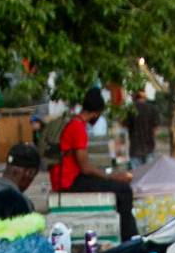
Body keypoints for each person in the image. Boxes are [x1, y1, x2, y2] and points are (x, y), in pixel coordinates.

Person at [50, 86, 138, 241]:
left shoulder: (75, 123)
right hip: (70, 182)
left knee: (118, 188)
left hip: (69, 178)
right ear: (96, 112)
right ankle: (130, 239)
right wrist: (112, 176)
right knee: (124, 190)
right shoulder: (78, 128)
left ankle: (128, 235)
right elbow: (85, 168)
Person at [125, 89, 160, 169]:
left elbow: (124, 124)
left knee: (137, 178)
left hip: (135, 149)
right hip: (149, 148)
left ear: (134, 96)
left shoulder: (130, 109)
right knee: (149, 177)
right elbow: (156, 128)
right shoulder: (152, 108)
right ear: (145, 95)